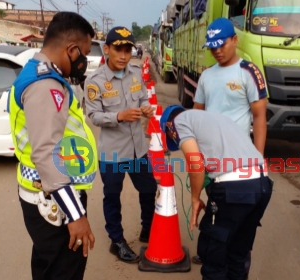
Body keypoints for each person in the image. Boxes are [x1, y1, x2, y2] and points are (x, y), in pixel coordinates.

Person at [8, 12, 98, 280]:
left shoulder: (37, 72)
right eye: (83, 53)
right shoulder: (47, 85)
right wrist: (75, 215)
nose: (84, 61)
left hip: (46, 197)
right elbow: (47, 153)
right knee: (62, 271)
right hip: (54, 202)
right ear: (71, 50)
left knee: (48, 268)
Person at [159, 105, 273, 280]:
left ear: (169, 128)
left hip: (233, 190)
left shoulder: (178, 122)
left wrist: (195, 199)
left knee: (214, 256)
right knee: (237, 255)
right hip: (262, 185)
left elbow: (195, 163)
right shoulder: (216, 119)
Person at [192, 17, 268, 275]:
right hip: (215, 167)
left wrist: (259, 157)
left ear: (235, 40)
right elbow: (197, 115)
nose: (217, 50)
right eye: (212, 47)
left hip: (239, 165)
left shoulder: (248, 72)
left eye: (221, 44)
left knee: (236, 245)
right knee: (218, 235)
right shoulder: (206, 76)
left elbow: (259, 117)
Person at [84, 26, 157, 263]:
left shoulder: (135, 73)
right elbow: (93, 116)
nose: (124, 55)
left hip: (138, 151)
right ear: (106, 50)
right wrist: (119, 116)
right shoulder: (95, 81)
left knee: (148, 190)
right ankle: (117, 240)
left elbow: (144, 97)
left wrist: (146, 108)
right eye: (118, 49)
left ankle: (148, 228)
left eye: (127, 49)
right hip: (113, 154)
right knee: (112, 197)